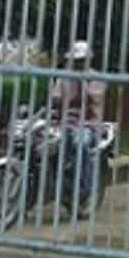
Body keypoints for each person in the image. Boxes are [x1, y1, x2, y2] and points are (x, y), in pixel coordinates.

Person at [49, 41, 106, 202]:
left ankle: (83, 187)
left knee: (80, 143)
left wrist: (83, 82)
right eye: (76, 60)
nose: (78, 63)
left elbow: (95, 99)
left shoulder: (95, 79)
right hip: (63, 124)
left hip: (88, 124)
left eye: (82, 60)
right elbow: (55, 98)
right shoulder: (64, 77)